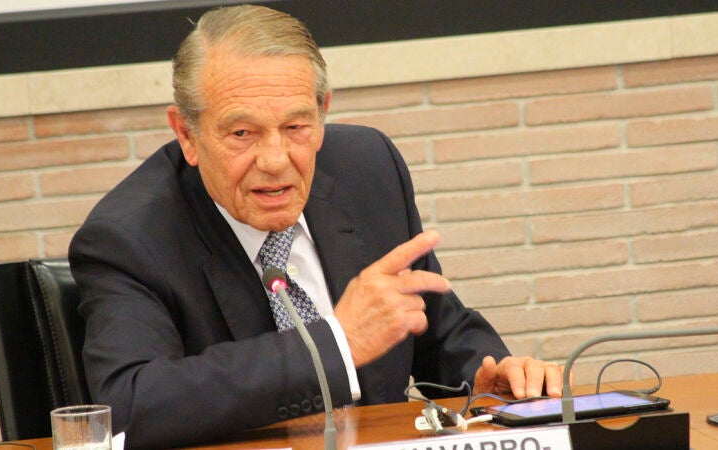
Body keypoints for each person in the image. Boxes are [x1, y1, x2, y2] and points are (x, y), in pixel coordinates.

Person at [69, 4, 564, 449]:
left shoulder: (366, 169)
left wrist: (489, 378)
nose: (275, 160)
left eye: (296, 127)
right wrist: (336, 342)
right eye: (242, 133)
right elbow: (130, 407)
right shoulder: (129, 239)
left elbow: (436, 331)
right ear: (187, 133)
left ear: (322, 114)